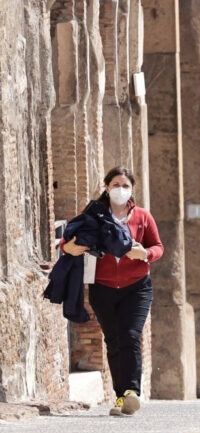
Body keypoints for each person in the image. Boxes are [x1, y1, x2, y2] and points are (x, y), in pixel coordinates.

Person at [62, 167, 164, 416]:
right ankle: (121, 397)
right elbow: (70, 239)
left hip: (137, 288)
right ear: (107, 187)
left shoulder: (142, 217)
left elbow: (158, 247)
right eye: (116, 184)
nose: (121, 189)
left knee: (130, 336)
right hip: (103, 288)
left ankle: (131, 391)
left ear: (132, 189)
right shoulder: (94, 215)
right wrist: (69, 247)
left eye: (126, 185)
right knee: (114, 341)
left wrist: (145, 254)